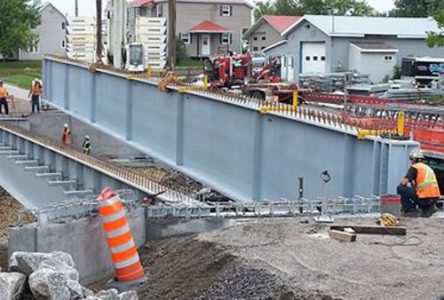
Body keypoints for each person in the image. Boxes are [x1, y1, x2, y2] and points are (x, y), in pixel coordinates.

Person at [397, 150, 440, 217]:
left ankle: (410, 211)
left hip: (424, 198)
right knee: (416, 192)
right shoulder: (428, 168)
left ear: (414, 160)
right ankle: (428, 208)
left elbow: (403, 183)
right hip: (434, 198)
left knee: (400, 188)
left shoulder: (415, 167)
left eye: (411, 160)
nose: (411, 162)